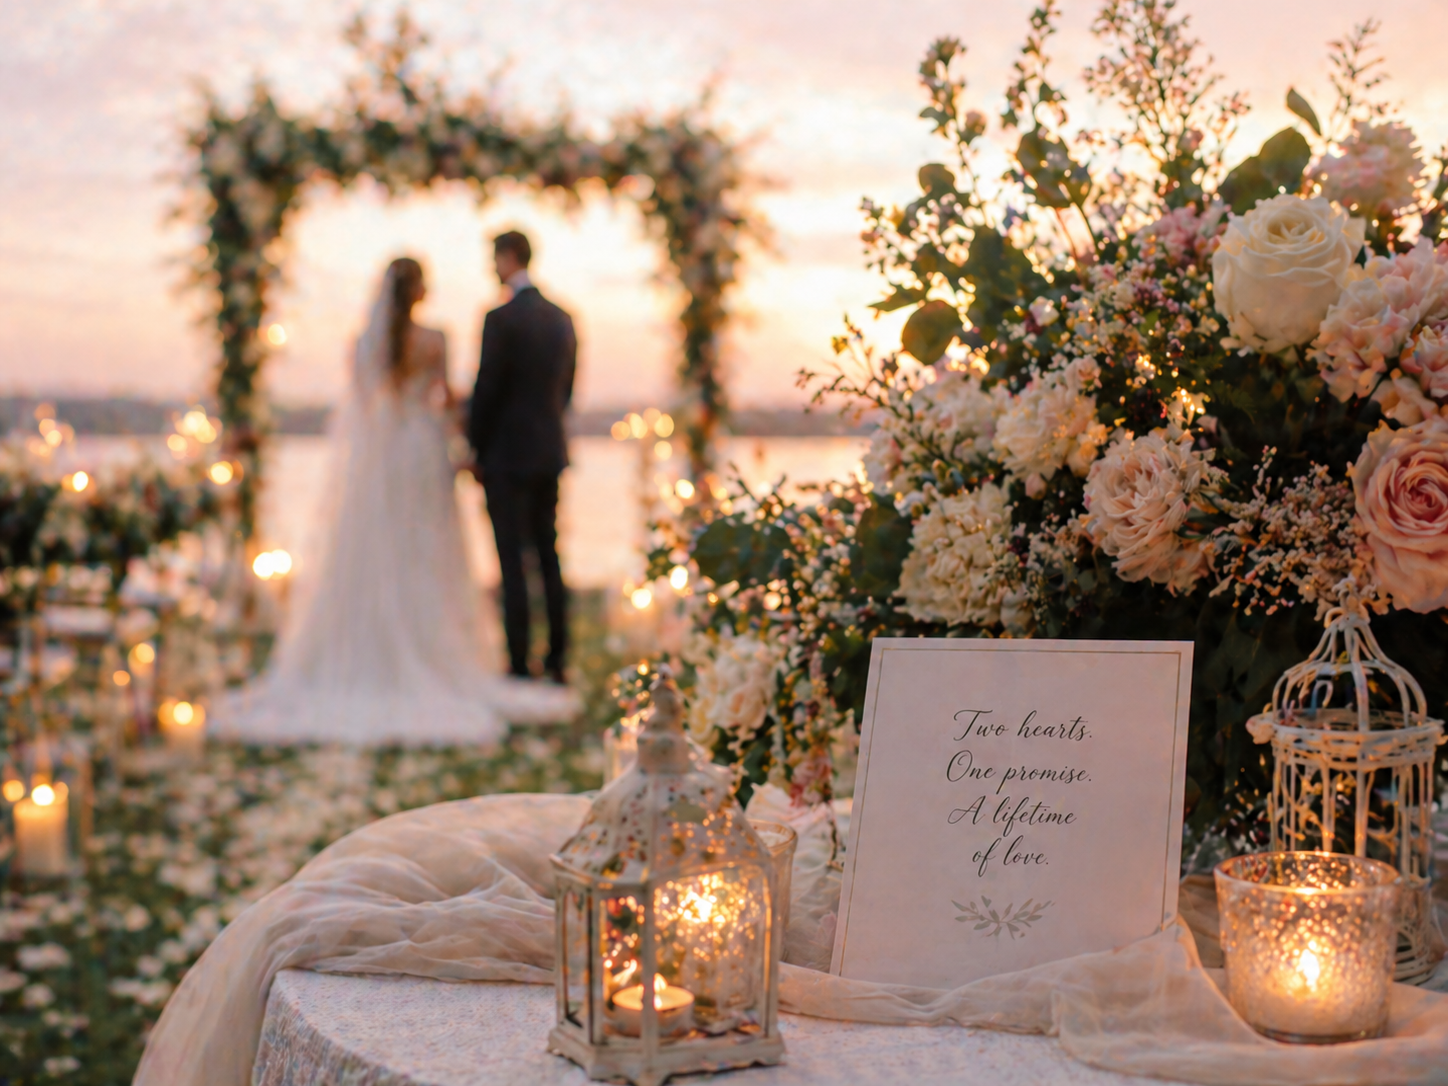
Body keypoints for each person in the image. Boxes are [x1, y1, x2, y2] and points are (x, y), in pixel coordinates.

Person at [215, 257, 574, 745]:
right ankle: (520, 657)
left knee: (378, 548)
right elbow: (447, 400)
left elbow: (363, 404)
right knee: (432, 552)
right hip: (423, 450)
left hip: (384, 456)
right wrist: (463, 442)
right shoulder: (438, 339)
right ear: (419, 290)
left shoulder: (363, 343)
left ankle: (373, 649)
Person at [468, 231, 576, 685]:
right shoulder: (563, 318)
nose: (492, 268)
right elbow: (566, 390)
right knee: (549, 554)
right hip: (548, 451)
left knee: (511, 560)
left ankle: (518, 660)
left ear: (508, 258)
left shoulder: (500, 319)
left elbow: (487, 390)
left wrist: (475, 445)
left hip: (507, 456)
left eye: (495, 259)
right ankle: (556, 658)